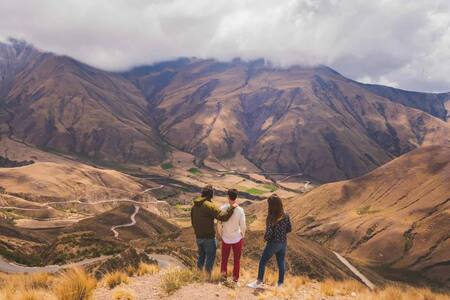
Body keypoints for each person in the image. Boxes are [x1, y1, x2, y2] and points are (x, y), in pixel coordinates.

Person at [248, 194, 292, 289]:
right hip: (283, 242)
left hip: (273, 243)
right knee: (281, 262)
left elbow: (269, 233)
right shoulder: (286, 215)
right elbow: (289, 229)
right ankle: (280, 284)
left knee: (263, 261)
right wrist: (281, 233)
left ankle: (259, 281)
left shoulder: (272, 217)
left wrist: (265, 239)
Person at [191, 185, 236, 275]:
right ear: (211, 194)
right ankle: (207, 278)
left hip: (198, 237)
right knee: (210, 258)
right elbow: (223, 217)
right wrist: (232, 208)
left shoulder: (194, 206)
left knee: (201, 258)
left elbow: (193, 221)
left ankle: (197, 276)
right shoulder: (209, 205)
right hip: (208, 238)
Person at [218, 189, 246, 284]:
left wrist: (221, 234)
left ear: (228, 196)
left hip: (226, 237)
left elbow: (219, 223)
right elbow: (243, 225)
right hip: (237, 238)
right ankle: (235, 279)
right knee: (237, 260)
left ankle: (223, 278)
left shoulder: (222, 208)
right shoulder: (240, 210)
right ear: (236, 197)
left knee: (224, 259)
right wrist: (243, 234)